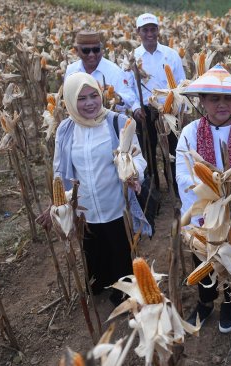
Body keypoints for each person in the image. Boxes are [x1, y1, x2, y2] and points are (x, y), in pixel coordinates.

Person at [176, 65, 231, 333]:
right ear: (201, 101)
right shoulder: (190, 133)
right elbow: (182, 174)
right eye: (214, 98)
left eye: (228, 98)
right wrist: (211, 198)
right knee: (203, 261)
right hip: (205, 214)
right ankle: (205, 302)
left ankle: (229, 304)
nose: (222, 104)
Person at [51, 72, 151, 306]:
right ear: (70, 101)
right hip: (85, 210)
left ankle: (124, 291)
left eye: (94, 95)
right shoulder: (65, 130)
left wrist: (134, 173)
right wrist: (58, 203)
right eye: (82, 98)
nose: (89, 103)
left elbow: (136, 157)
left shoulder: (116, 122)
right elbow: (60, 169)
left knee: (120, 253)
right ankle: (102, 284)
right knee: (95, 261)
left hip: (115, 204)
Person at [129, 13, 186, 192]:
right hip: (145, 111)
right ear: (138, 32)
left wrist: (181, 109)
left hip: (170, 110)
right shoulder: (133, 57)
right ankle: (153, 190)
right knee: (148, 152)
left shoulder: (171, 55)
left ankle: (176, 188)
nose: (150, 33)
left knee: (174, 151)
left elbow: (181, 83)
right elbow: (127, 87)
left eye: (153, 29)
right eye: (145, 30)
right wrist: (136, 108)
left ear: (158, 30)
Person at [65, 30, 136, 113]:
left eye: (96, 50)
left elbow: (130, 99)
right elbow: (67, 98)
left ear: (101, 49)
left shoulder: (114, 71)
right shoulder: (71, 70)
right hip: (80, 122)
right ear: (77, 51)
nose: (91, 54)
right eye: (86, 51)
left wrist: (116, 97)